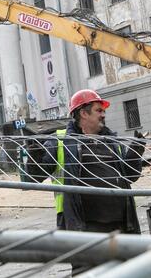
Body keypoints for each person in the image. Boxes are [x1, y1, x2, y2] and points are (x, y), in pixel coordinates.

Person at [37, 89, 144, 235]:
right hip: (84, 227)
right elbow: (35, 174)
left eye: (103, 111)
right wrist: (34, 153)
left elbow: (130, 176)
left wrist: (135, 152)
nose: (103, 115)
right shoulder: (61, 141)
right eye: (99, 111)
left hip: (121, 225)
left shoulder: (111, 140)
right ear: (84, 113)